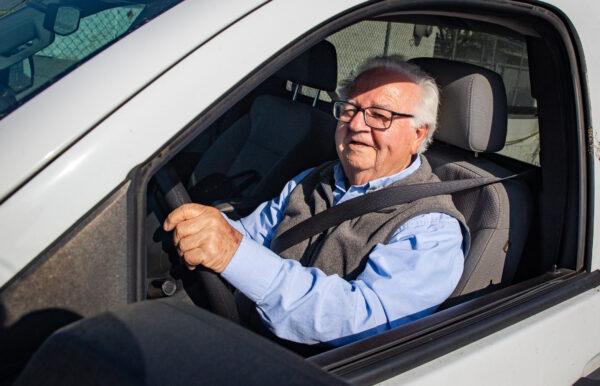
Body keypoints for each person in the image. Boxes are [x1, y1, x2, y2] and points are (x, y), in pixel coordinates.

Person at [163, 56, 468, 346]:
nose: (357, 125)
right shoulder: (313, 179)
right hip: (240, 333)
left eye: (379, 115)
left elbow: (363, 320)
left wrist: (234, 253)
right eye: (349, 109)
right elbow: (253, 234)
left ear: (418, 135)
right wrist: (201, 228)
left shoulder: (431, 227)